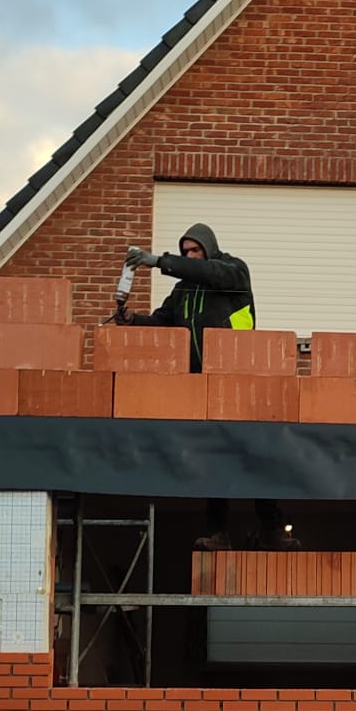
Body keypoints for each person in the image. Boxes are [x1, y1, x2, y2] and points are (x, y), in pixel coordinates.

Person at [116, 224, 296, 552]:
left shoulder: (233, 271)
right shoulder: (183, 291)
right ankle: (218, 533)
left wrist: (158, 261)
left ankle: (272, 528)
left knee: (255, 453)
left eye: (194, 250)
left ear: (208, 249)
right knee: (217, 457)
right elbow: (161, 322)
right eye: (185, 252)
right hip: (204, 384)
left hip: (241, 381)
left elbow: (211, 273)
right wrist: (132, 320)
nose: (189, 257)